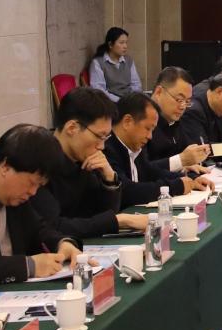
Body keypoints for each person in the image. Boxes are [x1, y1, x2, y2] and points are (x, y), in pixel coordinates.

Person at [0, 124, 81, 290]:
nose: (33, 192)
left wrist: (62, 244)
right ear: (6, 166)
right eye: (32, 183)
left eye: (39, 186)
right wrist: (27, 266)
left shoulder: (14, 194)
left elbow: (37, 230)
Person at [43, 87, 149, 240]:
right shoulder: (41, 162)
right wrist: (119, 221)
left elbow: (102, 214)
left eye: (106, 138)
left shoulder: (85, 160)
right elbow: (54, 227)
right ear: (72, 128)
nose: (102, 146)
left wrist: (109, 179)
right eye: (99, 136)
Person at [107, 91, 206, 205]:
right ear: (127, 121)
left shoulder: (134, 147)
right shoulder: (106, 149)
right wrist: (176, 186)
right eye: (147, 128)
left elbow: (152, 172)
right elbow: (127, 191)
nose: (150, 136)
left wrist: (189, 179)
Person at [145, 66, 211, 175]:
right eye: (179, 99)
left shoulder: (175, 122)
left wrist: (186, 165)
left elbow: (181, 158)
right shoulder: (141, 120)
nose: (183, 106)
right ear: (158, 92)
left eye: (187, 101)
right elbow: (140, 170)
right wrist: (181, 161)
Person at [87, 26, 142, 101]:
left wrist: (133, 99)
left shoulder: (129, 60)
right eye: (121, 43)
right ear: (110, 44)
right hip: (110, 102)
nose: (125, 46)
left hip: (129, 100)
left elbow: (136, 84)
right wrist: (119, 101)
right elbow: (99, 90)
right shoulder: (98, 62)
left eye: (126, 42)